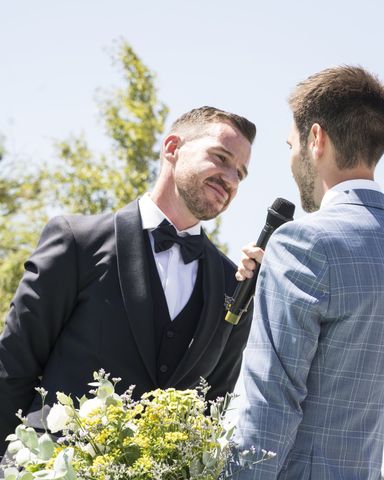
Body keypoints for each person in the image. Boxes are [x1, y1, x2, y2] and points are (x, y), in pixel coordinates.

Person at [0, 106, 256, 455]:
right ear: (172, 148)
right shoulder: (78, 241)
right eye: (220, 158)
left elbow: (212, 411)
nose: (230, 178)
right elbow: (14, 366)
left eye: (240, 173)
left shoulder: (235, 284)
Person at [234, 66, 384, 479]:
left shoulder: (301, 244)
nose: (291, 160)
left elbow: (268, 406)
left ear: (316, 139)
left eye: (291, 144)